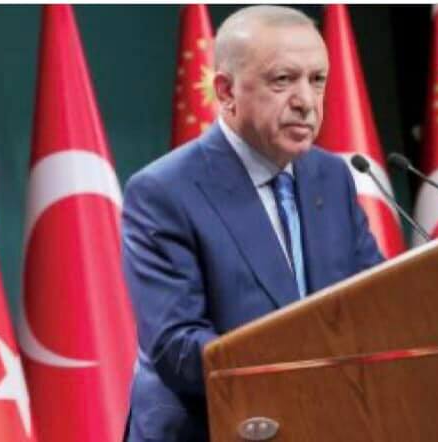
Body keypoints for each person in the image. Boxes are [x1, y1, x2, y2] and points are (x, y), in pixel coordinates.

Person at [121, 5, 384, 441]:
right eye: (283, 80)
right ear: (226, 91)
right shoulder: (163, 191)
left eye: (317, 79)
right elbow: (176, 346)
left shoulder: (332, 175)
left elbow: (376, 297)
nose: (306, 101)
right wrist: (301, 366)